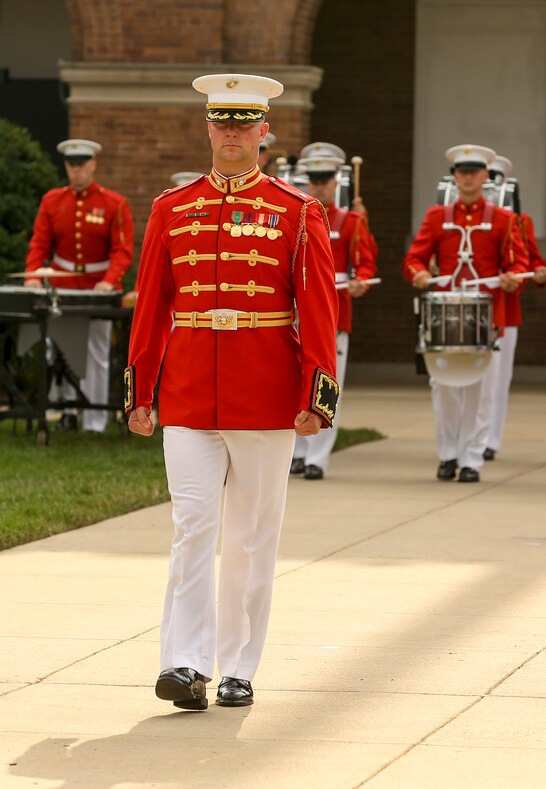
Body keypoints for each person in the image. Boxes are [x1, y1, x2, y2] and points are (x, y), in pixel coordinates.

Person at [124, 72, 339, 710]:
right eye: (223, 122)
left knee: (249, 534)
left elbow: (319, 310)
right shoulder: (173, 208)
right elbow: (153, 306)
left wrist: (317, 395)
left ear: (264, 132)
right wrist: (140, 387)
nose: (233, 134)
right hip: (189, 389)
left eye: (245, 124)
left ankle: (239, 666)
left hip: (265, 391)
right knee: (192, 527)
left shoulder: (297, 212)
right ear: (208, 127)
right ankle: (183, 663)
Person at [403, 144, 527, 483]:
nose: (468, 178)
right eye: (462, 172)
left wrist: (512, 276)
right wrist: (420, 273)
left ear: (485, 176)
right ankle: (448, 454)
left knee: (481, 391)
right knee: (443, 387)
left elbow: (518, 261)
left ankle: (472, 458)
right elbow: (414, 257)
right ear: (454, 177)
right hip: (445, 314)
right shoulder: (437, 216)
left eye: (474, 172)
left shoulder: (503, 218)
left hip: (487, 315)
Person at [24, 139, 133, 432]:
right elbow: (40, 243)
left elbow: (122, 251)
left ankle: (95, 420)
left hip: (97, 286)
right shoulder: (52, 201)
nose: (77, 170)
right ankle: (67, 410)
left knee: (96, 350)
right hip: (62, 283)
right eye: (72, 165)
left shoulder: (114, 203)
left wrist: (110, 282)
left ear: (93, 165)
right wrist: (33, 273)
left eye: (82, 164)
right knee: (59, 347)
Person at [290, 142, 378, 479]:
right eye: (314, 179)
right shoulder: (294, 214)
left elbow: (366, 264)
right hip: (295, 308)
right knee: (293, 382)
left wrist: (362, 282)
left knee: (327, 382)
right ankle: (297, 451)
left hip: (333, 309)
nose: (319, 185)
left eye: (325, 179)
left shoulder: (352, 221)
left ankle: (318, 456)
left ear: (336, 181)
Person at [479, 155, 546, 462]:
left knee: (498, 379)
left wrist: (539, 272)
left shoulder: (519, 221)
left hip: (504, 310)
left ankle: (490, 438)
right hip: (468, 305)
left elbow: (532, 259)